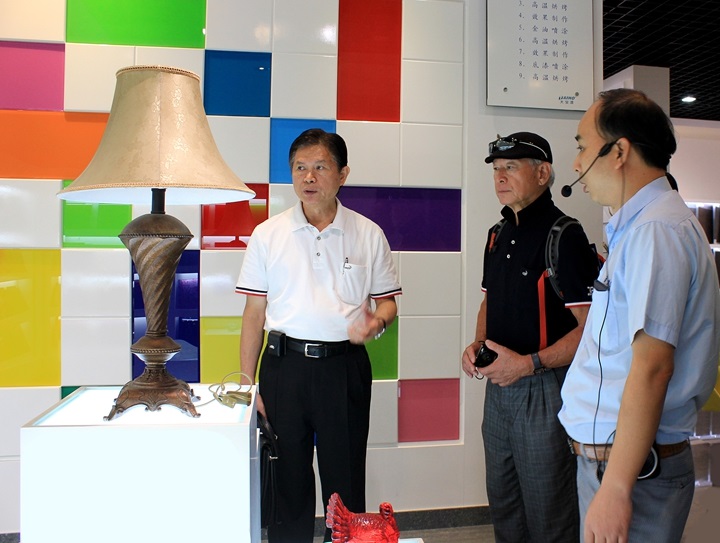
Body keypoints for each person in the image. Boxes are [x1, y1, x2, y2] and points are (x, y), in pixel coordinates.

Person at [558, 88, 720, 542]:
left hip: (633, 472)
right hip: (622, 466)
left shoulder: (656, 232)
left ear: (619, 151)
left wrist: (616, 487)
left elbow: (652, 367)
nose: (577, 163)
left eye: (582, 146)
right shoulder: (640, 228)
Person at [236, 128, 401, 543]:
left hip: (343, 369)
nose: (308, 177)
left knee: (344, 480)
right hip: (283, 370)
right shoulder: (268, 235)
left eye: (320, 167)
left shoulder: (368, 233)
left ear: (342, 174)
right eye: (300, 168)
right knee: (286, 480)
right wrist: (248, 384)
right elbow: (253, 314)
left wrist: (377, 323)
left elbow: (388, 304)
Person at [461, 132, 598, 542]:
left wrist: (528, 364)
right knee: (504, 506)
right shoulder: (496, 234)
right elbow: (489, 301)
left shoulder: (565, 235)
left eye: (511, 167)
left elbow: (591, 329)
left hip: (544, 390)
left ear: (542, 173)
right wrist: (477, 344)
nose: (500, 177)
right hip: (498, 393)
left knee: (548, 513)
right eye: (496, 169)